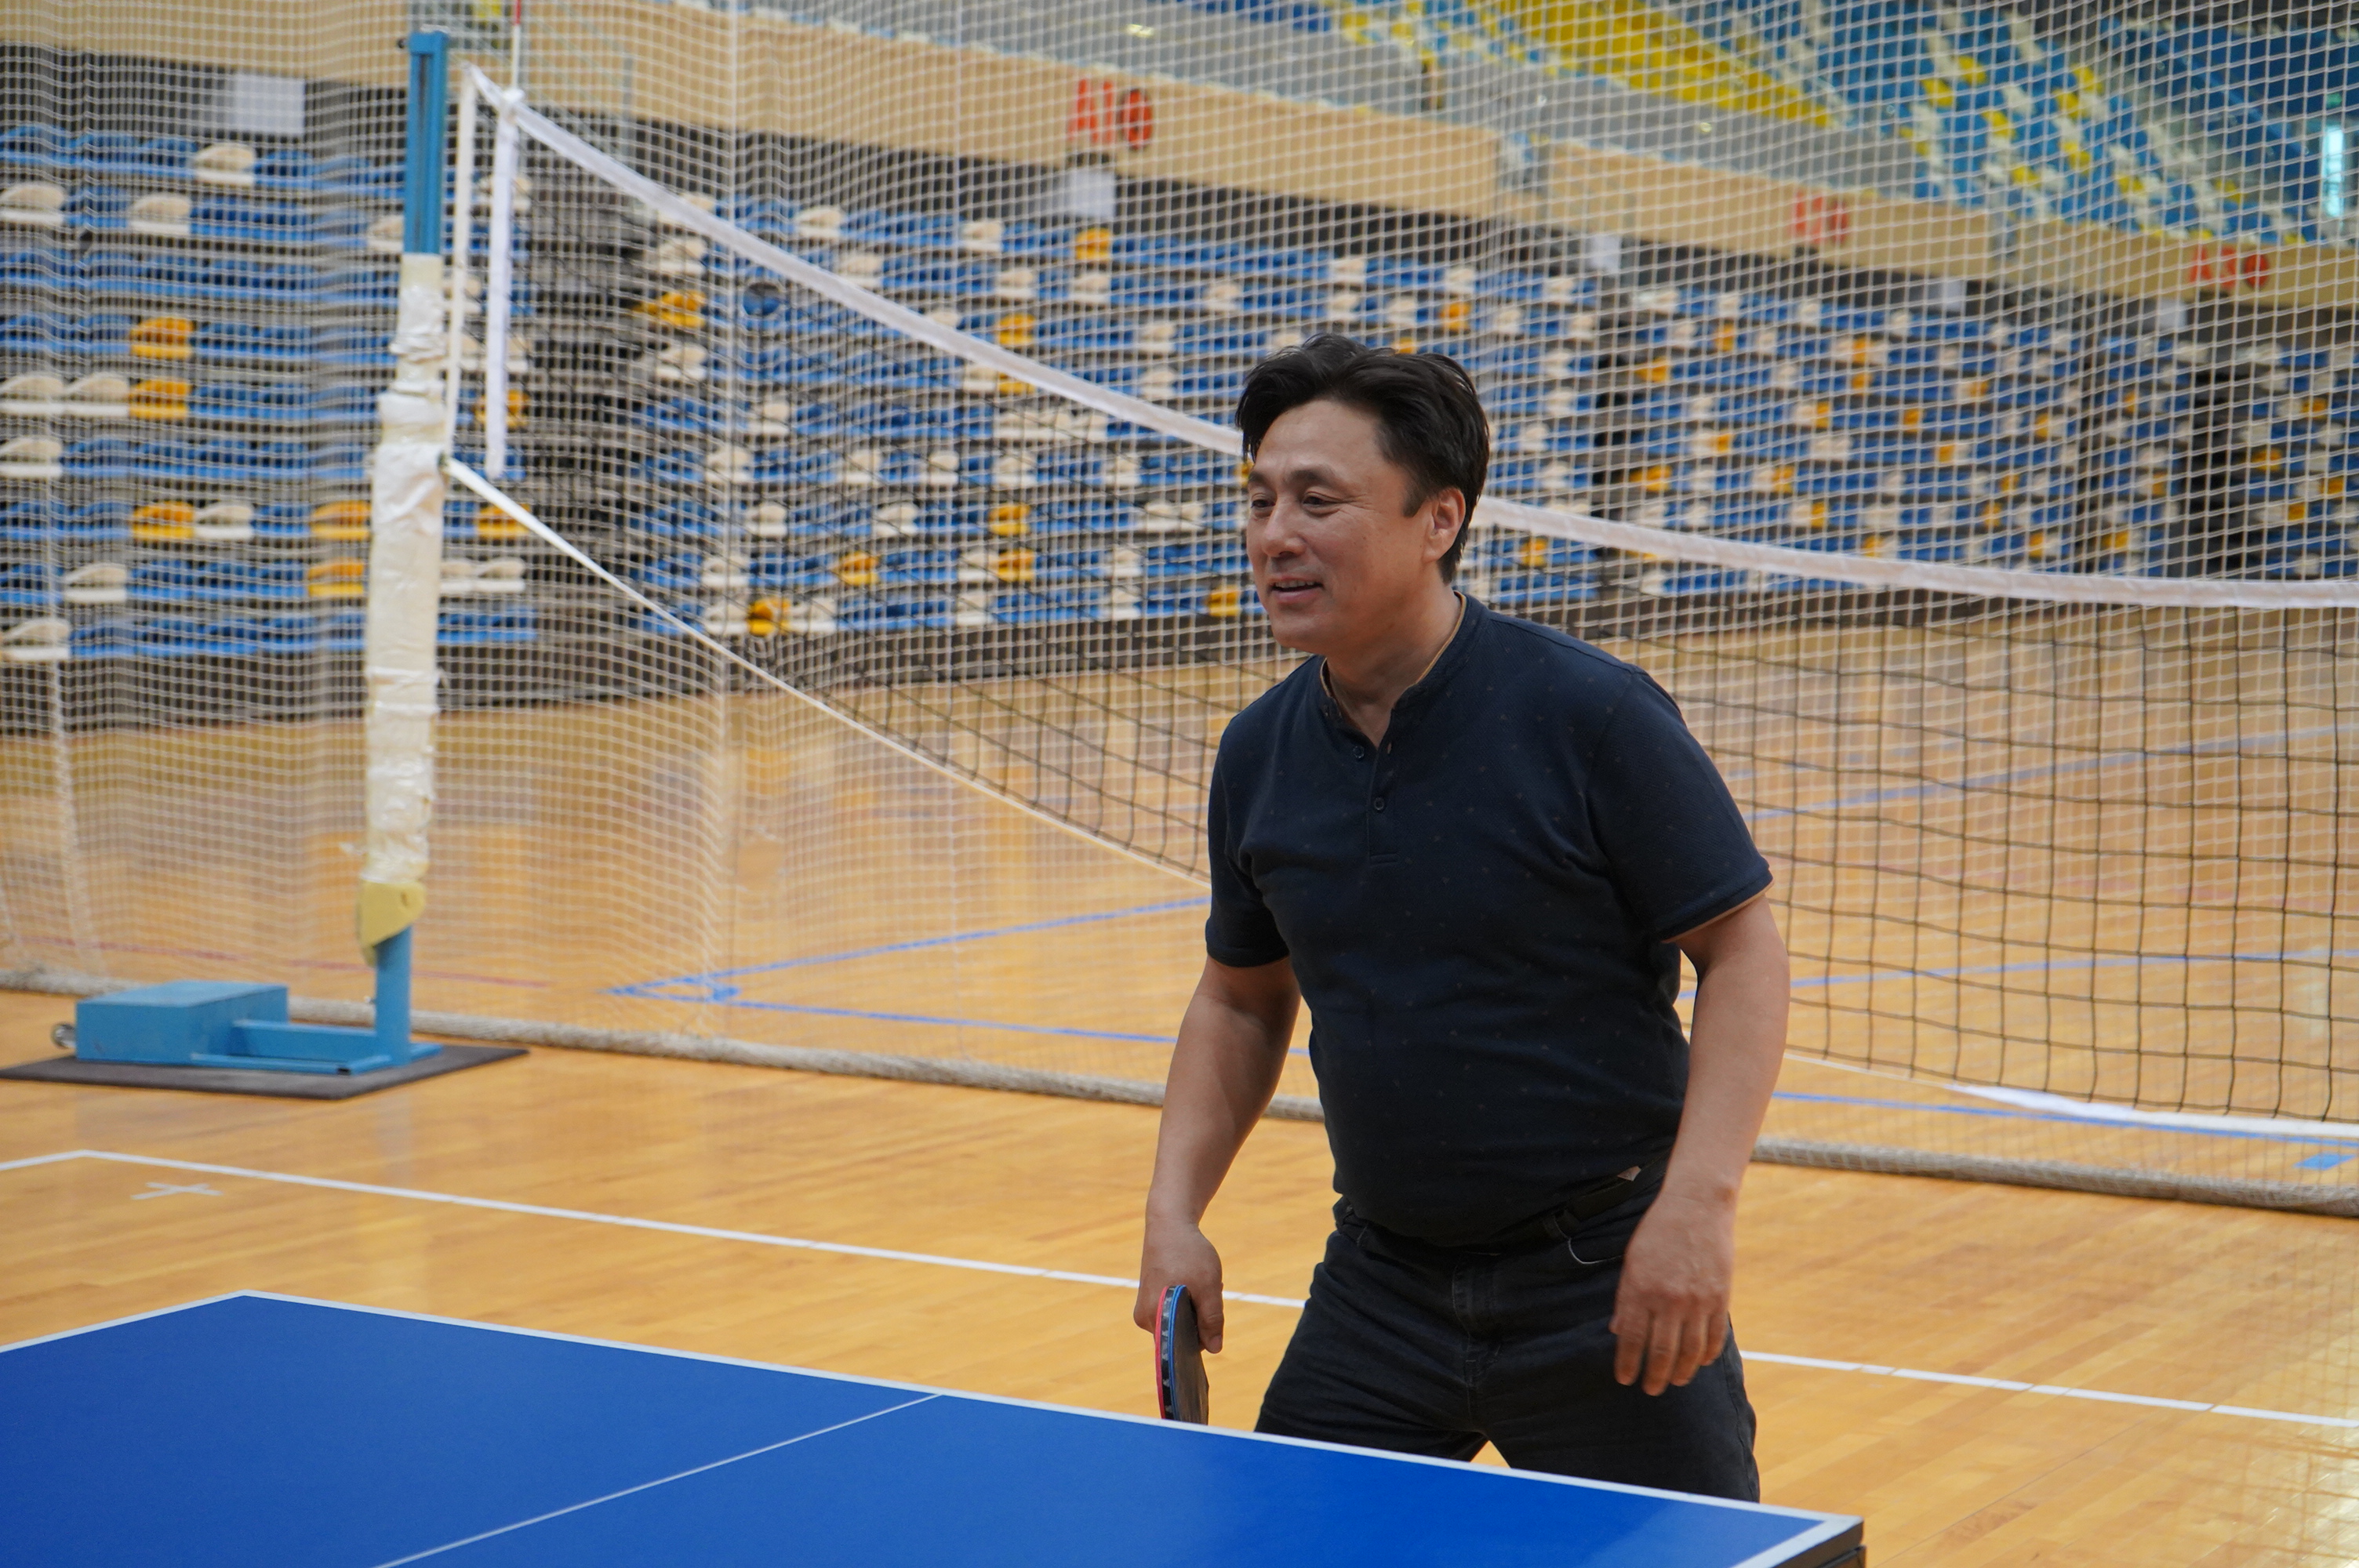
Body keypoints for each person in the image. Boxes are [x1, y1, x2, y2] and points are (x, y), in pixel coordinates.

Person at [1132, 334, 1790, 1499]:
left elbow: (1742, 953)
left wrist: (1699, 1206)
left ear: (1440, 519)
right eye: (1261, 498)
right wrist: (1173, 1210)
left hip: (1608, 1285)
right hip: (1381, 1289)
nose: (1274, 534)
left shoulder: (1591, 714)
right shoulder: (1259, 753)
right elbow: (1241, 999)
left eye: (1319, 500)